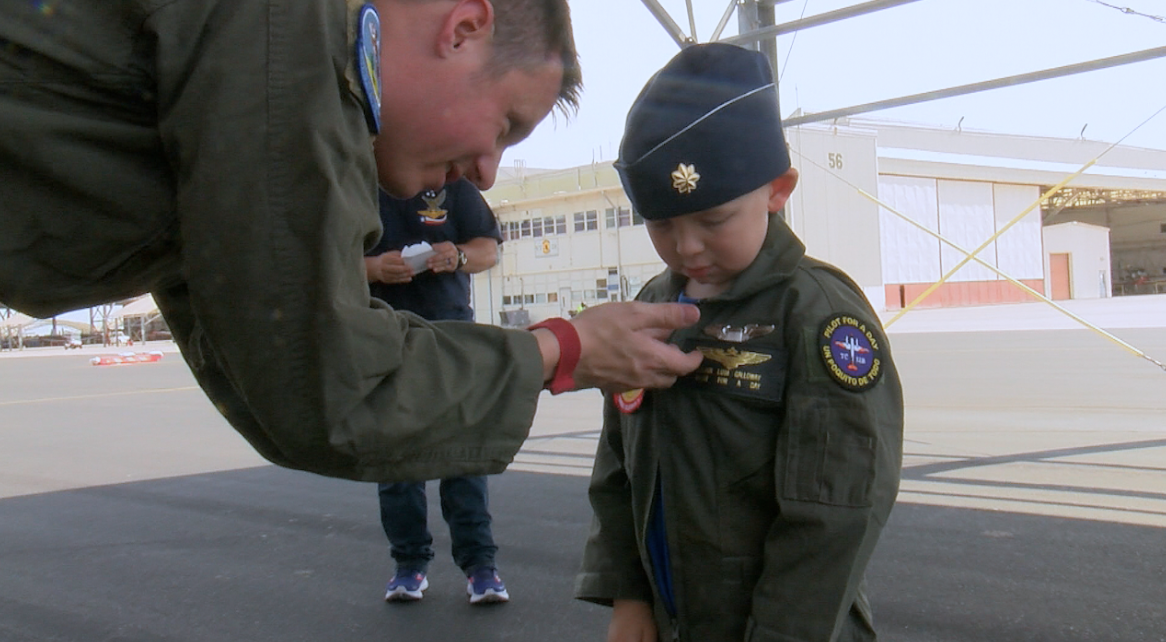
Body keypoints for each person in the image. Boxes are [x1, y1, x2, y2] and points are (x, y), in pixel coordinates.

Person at [0, 0, 704, 483]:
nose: (487, 172)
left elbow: (269, 377)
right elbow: (334, 388)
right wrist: (563, 348)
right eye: (505, 126)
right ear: (463, 27)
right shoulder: (293, 31)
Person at [574, 44, 904, 641]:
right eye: (662, 224)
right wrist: (627, 595)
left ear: (778, 190)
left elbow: (835, 512)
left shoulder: (817, 314)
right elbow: (618, 465)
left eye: (713, 220)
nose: (687, 247)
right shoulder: (650, 308)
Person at [364, 179, 508, 604]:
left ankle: (481, 568)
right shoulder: (361, 183)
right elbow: (329, 260)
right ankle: (408, 566)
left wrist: (457, 256)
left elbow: (488, 250)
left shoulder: (455, 185)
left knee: (463, 453)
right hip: (385, 335)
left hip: (451, 336)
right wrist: (374, 268)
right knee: (396, 459)